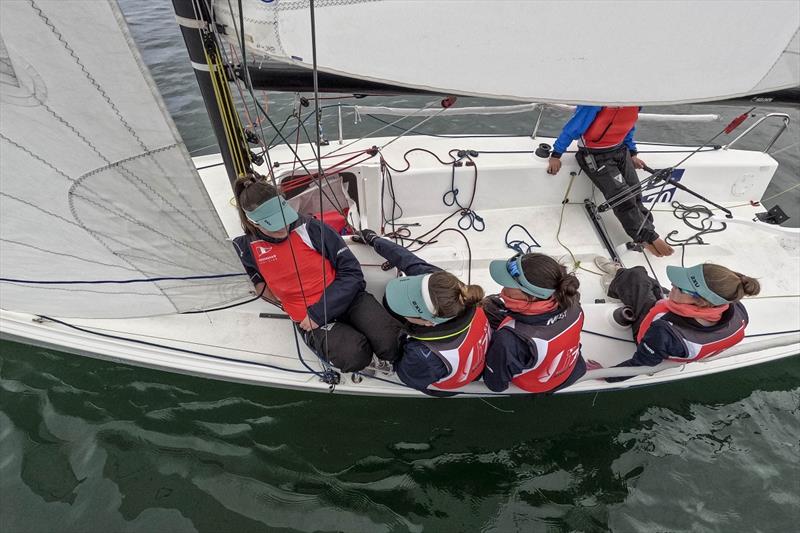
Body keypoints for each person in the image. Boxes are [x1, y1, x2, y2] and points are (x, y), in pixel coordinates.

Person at [231, 175, 402, 373]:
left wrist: (319, 312)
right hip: (306, 317)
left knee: (390, 341)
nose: (283, 228)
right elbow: (253, 276)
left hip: (346, 299)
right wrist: (272, 294)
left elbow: (352, 273)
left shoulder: (312, 229)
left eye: (284, 219)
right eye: (274, 224)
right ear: (254, 223)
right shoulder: (244, 247)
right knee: (354, 355)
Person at [352, 229, 490, 395]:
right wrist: (374, 240)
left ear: (428, 322)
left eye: (407, 310)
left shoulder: (423, 356)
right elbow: (409, 261)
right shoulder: (447, 288)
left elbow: (405, 375)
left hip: (439, 377)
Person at [593, 258, 760, 379]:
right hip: (679, 327)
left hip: (656, 339)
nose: (672, 285)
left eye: (679, 287)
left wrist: (604, 375)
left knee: (636, 276)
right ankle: (626, 279)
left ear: (701, 301)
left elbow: (642, 365)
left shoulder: (663, 331)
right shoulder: (737, 309)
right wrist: (680, 293)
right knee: (649, 284)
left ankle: (617, 281)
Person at [547, 105, 674, 257]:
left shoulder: (635, 102)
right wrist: (556, 154)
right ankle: (649, 238)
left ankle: (648, 233)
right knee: (623, 198)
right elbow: (573, 128)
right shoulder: (595, 103)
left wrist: (632, 153)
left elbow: (628, 127)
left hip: (620, 151)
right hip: (595, 156)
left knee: (636, 191)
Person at [481, 253, 586, 393]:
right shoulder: (573, 301)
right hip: (571, 369)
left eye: (508, 285)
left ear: (531, 296)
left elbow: (495, 384)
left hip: (532, 384)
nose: (502, 290)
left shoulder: (507, 340)